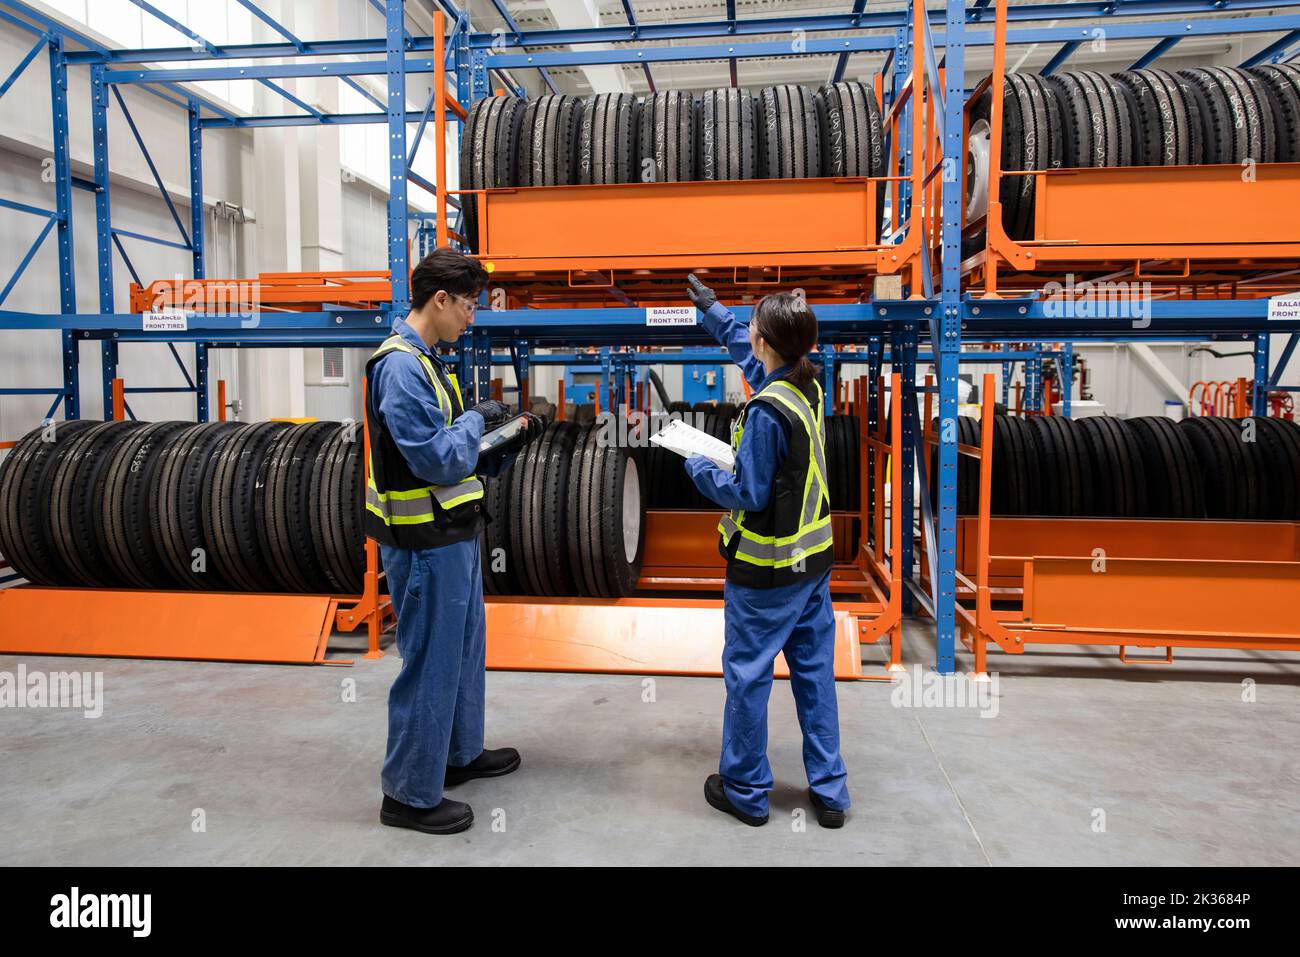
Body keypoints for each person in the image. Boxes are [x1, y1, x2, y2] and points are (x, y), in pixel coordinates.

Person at [365, 246, 541, 835]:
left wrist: (496, 441)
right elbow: (437, 456)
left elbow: (452, 456)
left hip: (453, 533)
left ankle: (458, 755)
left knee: (463, 648)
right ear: (439, 300)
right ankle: (409, 794)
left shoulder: (429, 361)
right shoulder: (399, 366)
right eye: (468, 306)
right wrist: (477, 423)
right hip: (422, 543)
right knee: (431, 661)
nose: (472, 318)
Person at [682, 274, 850, 829]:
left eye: (750, 326)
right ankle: (830, 793)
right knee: (814, 677)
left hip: (765, 575)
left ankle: (747, 792)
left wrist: (699, 466)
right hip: (813, 570)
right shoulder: (808, 386)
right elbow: (757, 365)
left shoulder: (763, 414)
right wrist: (714, 313)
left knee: (749, 678)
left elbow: (748, 492)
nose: (747, 334)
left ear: (765, 341)